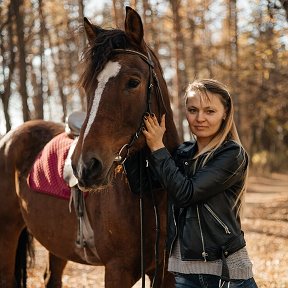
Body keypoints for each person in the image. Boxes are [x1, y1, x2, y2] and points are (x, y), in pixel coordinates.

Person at [142, 79, 258, 288]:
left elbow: (186, 193)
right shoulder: (182, 153)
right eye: (193, 110)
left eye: (210, 111)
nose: (200, 118)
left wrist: (158, 148)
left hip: (226, 274)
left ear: (225, 113)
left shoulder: (232, 154)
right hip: (183, 274)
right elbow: (146, 184)